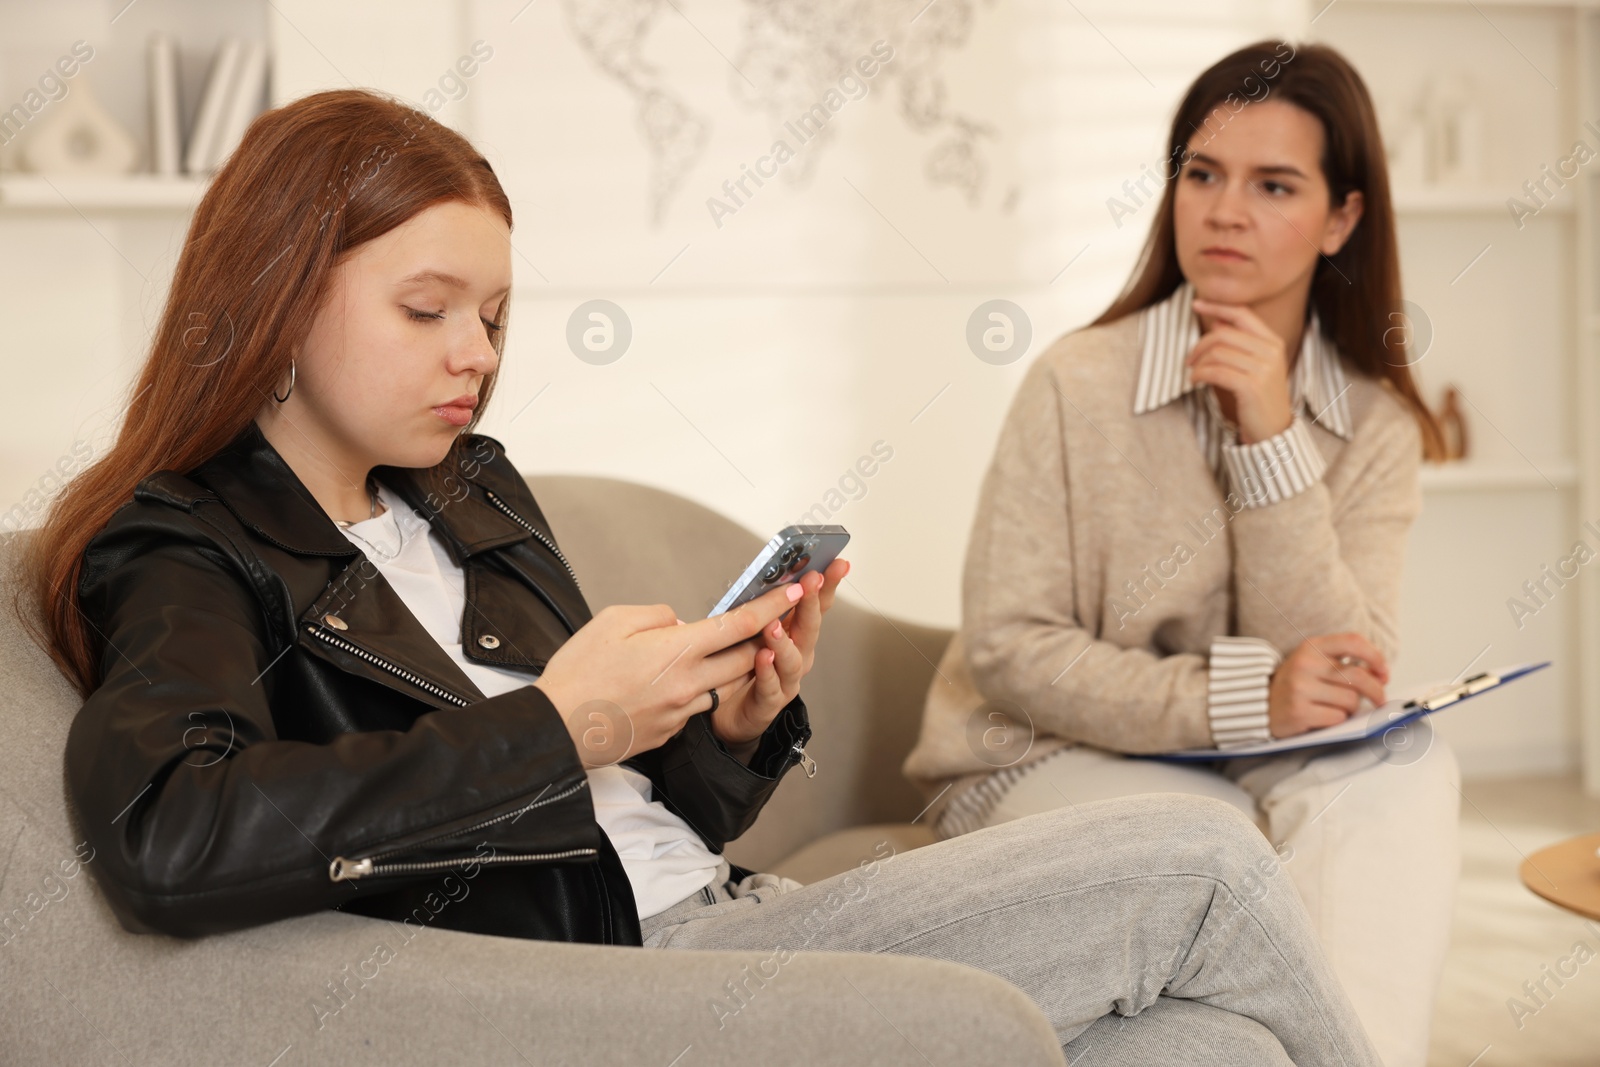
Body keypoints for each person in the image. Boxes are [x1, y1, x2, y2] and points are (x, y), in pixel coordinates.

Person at [31, 87, 1382, 1064]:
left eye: (495, 316)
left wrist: (726, 725)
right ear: (280, 294)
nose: (475, 353)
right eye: (427, 308)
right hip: (619, 982)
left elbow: (646, 811)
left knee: (1206, 1045)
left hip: (724, 911)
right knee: (1202, 867)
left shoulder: (467, 487)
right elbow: (166, 835)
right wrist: (562, 721)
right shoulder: (188, 543)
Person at [903, 39, 1459, 1067]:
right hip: (1043, 754)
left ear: (1341, 218)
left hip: (1254, 760)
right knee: (1213, 844)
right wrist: (1247, 701)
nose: (1225, 210)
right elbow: (1012, 652)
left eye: (1273, 184)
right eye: (1201, 174)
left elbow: (1344, 668)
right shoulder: (1076, 382)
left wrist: (1271, 437)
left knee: (1404, 768)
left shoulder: (1374, 425)